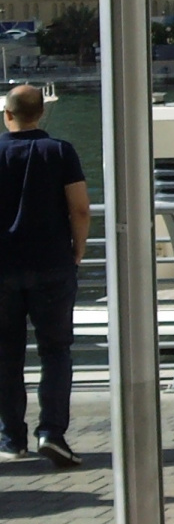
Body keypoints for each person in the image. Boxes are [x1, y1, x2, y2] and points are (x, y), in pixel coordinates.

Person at [0, 85, 87, 468]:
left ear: (7, 115)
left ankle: (11, 439)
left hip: (2, 268)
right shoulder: (60, 151)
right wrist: (77, 252)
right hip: (53, 264)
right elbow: (80, 209)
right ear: (42, 114)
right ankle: (51, 433)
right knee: (55, 351)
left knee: (5, 355)